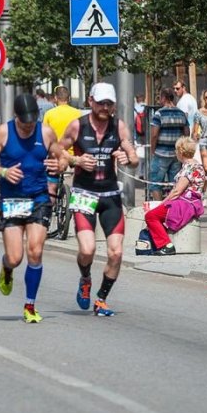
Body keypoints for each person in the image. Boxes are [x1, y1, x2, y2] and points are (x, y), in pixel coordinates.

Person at [52, 82, 138, 317]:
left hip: (110, 195)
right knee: (88, 249)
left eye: (109, 103)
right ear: (90, 101)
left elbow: (134, 157)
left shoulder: (118, 126)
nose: (105, 107)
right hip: (84, 194)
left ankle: (101, 299)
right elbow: (57, 151)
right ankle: (85, 278)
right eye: (101, 102)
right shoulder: (77, 126)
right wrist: (75, 161)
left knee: (116, 253)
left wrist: (126, 157)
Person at [0, 93, 60, 323]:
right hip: (12, 199)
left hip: (38, 197)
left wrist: (57, 164)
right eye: (24, 122)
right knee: (15, 257)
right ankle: (7, 268)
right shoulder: (4, 132)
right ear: (16, 117)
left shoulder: (46, 132)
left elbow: (62, 158)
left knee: (35, 250)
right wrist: (3, 171)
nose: (28, 125)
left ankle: (30, 305)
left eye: (32, 120)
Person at [136, 137, 207, 257]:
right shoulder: (195, 165)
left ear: (180, 152)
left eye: (176, 150)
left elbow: (177, 191)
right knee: (157, 217)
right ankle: (161, 243)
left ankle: (166, 245)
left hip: (184, 203)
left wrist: (162, 202)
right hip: (190, 202)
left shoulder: (189, 167)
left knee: (151, 216)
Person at [148, 87, 190, 196]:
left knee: (155, 184)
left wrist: (152, 150)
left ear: (163, 98)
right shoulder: (181, 114)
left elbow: (154, 135)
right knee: (175, 184)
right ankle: (173, 209)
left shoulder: (159, 114)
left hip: (160, 153)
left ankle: (159, 208)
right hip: (176, 155)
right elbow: (187, 134)